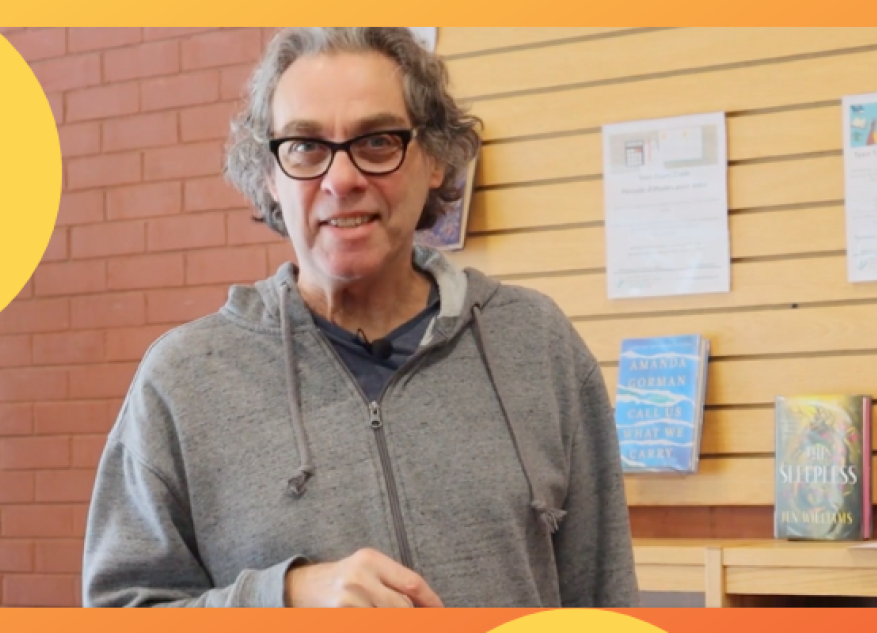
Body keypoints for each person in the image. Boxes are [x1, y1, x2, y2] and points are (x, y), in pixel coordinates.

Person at [80, 27, 639, 609]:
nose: (342, 180)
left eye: (377, 142)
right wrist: (281, 599)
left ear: (436, 162)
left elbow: (605, 600)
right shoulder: (184, 380)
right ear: (271, 176)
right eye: (305, 147)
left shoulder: (537, 346)